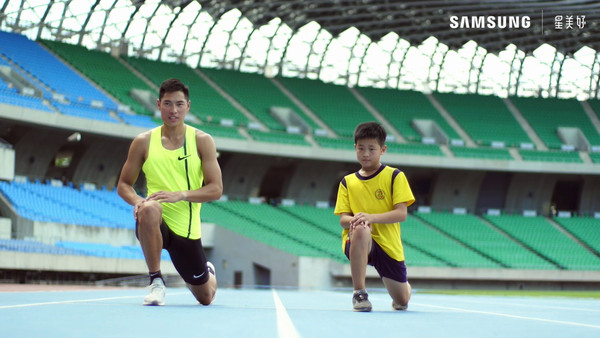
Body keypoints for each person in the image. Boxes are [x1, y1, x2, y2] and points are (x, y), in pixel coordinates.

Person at [117, 78, 222, 306]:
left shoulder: (202, 141)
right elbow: (123, 184)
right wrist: (137, 201)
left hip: (187, 230)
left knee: (205, 297)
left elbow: (216, 189)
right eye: (167, 104)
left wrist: (181, 194)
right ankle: (156, 283)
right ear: (158, 104)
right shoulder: (143, 142)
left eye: (179, 104)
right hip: (155, 220)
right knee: (150, 209)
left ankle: (207, 271)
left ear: (188, 106)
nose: (173, 110)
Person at [334, 122, 415, 312]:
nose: (366, 154)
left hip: (388, 244)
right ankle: (359, 293)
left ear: (383, 149)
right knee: (361, 229)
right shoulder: (347, 182)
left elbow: (401, 214)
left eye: (372, 149)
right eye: (361, 148)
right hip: (359, 239)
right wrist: (356, 221)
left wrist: (371, 217)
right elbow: (343, 219)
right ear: (355, 148)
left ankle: (405, 288)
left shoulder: (395, 176)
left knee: (402, 301)